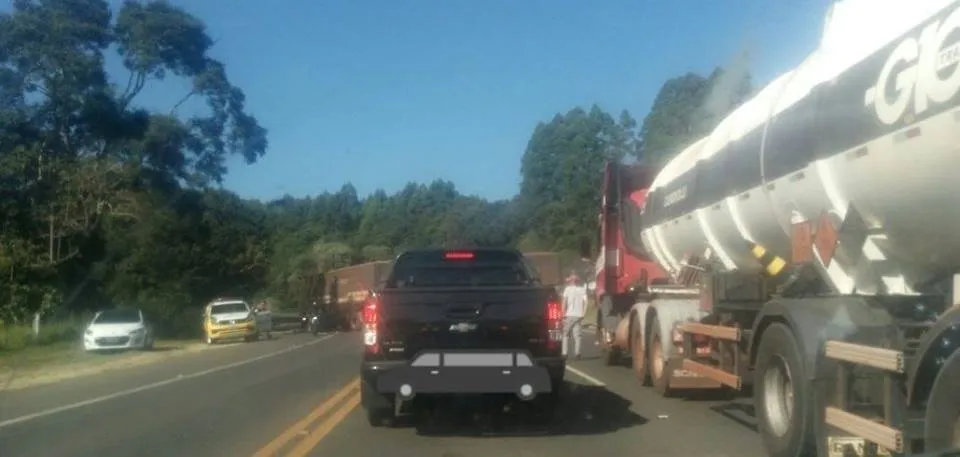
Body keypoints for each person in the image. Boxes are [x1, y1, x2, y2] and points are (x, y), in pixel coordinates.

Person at [561, 271, 588, 360]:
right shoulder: (582, 289)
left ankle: (565, 353)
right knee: (577, 335)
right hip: (578, 315)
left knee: (565, 334)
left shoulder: (567, 289)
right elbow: (586, 302)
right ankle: (577, 353)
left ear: (570, 281)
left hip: (569, 315)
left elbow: (564, 302)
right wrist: (583, 313)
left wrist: (562, 314)